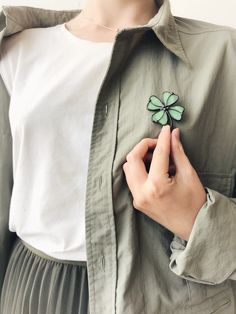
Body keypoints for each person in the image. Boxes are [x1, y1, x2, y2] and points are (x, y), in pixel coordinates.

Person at [0, 0, 236, 313]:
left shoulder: (224, 55)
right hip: (34, 290)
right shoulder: (17, 49)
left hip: (163, 299)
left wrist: (195, 220)